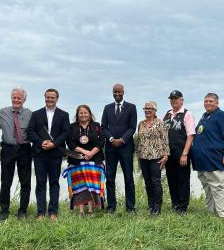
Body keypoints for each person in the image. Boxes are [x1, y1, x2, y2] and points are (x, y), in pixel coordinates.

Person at [27, 88, 70, 220]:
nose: (50, 99)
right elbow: (30, 131)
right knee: (40, 183)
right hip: (40, 153)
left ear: (57, 98)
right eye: (48, 97)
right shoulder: (36, 114)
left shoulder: (64, 115)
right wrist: (41, 143)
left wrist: (54, 144)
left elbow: (65, 132)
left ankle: (53, 212)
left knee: (54, 183)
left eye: (52, 97)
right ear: (44, 98)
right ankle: (41, 212)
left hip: (55, 153)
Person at [192, 93, 224, 218]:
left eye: (211, 101)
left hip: (215, 159)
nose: (208, 103)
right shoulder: (204, 116)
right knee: (207, 187)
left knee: (218, 187)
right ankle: (211, 212)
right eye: (206, 101)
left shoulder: (221, 115)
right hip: (203, 161)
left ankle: (223, 215)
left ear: (217, 103)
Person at [101, 83, 137, 214]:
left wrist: (121, 140)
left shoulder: (131, 107)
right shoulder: (107, 108)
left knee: (128, 178)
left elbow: (132, 127)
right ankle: (111, 207)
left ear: (123, 92)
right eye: (114, 92)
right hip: (110, 148)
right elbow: (103, 127)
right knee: (110, 178)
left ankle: (130, 207)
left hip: (126, 147)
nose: (117, 94)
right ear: (112, 93)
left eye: (119, 92)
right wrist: (111, 139)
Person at [63, 105, 106, 217]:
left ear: (89, 114)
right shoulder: (72, 127)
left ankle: (91, 210)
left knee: (91, 185)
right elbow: (70, 143)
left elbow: (101, 142)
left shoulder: (96, 126)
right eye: (81, 113)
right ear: (77, 115)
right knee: (80, 185)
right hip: (77, 160)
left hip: (94, 159)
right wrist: (84, 152)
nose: (83, 114)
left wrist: (91, 153)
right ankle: (81, 210)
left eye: (85, 112)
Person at [0, 87, 33, 221]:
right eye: (14, 98)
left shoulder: (30, 114)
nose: (16, 100)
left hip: (25, 149)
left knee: (25, 182)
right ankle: (4, 211)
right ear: (11, 98)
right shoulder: (2, 112)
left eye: (19, 98)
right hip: (8, 149)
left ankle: (22, 211)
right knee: (6, 181)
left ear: (24, 99)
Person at [163, 90, 196, 214]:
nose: (173, 101)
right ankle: (175, 203)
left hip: (182, 152)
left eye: (176, 98)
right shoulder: (167, 114)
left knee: (182, 180)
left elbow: (191, 135)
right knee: (171, 179)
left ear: (181, 100)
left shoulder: (187, 114)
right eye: (171, 99)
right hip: (169, 153)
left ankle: (182, 207)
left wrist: (185, 154)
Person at [136, 101, 169, 215]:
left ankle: (157, 207)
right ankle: (150, 205)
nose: (147, 110)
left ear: (155, 110)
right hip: (143, 157)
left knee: (156, 182)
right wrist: (138, 157)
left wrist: (165, 156)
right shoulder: (141, 124)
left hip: (156, 157)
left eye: (150, 108)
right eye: (145, 108)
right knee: (147, 182)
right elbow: (138, 141)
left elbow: (165, 140)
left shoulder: (160, 123)